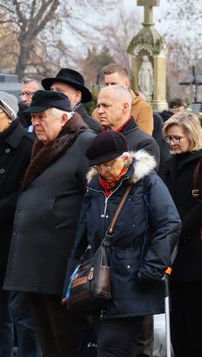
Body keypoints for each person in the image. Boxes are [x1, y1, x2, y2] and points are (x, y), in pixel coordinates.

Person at [66, 130, 180, 356]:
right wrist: (69, 283)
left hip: (134, 280)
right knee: (108, 347)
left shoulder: (147, 182)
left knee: (110, 348)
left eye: (108, 165)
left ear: (126, 159)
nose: (103, 171)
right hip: (97, 282)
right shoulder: (95, 186)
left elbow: (170, 225)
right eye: (98, 167)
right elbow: (81, 237)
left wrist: (151, 270)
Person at [3, 90, 95, 355]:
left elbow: (94, 201)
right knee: (47, 339)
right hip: (36, 267)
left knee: (67, 340)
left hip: (61, 265)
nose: (36, 122)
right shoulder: (43, 145)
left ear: (65, 117)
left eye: (43, 116)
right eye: (34, 117)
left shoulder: (83, 143)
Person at [160, 113, 202, 357]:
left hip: (194, 246)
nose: (173, 143)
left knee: (197, 317)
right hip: (172, 249)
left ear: (191, 135)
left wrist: (178, 232)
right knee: (177, 318)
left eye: (177, 138)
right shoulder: (169, 164)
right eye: (169, 139)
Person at [0, 92, 37, 357]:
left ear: (6, 113)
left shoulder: (27, 145)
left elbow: (25, 192)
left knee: (13, 314)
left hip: (12, 239)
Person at [96, 85, 160, 166]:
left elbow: (143, 178)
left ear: (125, 107)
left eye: (106, 106)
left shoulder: (144, 143)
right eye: (98, 106)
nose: (99, 111)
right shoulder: (96, 138)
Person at [92, 63, 154, 135]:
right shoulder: (97, 112)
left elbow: (143, 139)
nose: (109, 87)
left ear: (127, 84)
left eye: (113, 84)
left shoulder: (142, 108)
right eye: (106, 84)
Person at [42, 67, 101, 133]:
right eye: (52, 90)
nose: (53, 94)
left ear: (77, 96)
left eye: (60, 91)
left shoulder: (92, 128)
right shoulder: (43, 121)